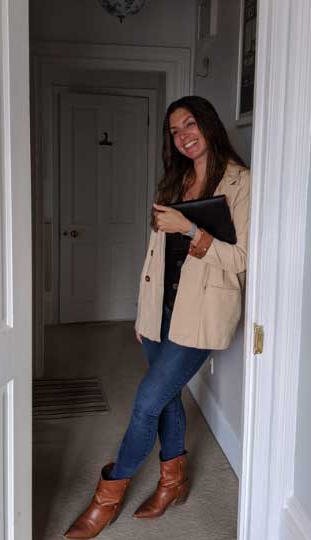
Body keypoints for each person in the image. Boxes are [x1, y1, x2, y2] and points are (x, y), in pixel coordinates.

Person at [65, 96, 251, 539]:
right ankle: (173, 483)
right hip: (159, 311)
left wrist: (189, 230)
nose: (184, 135)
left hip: (200, 313)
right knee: (166, 397)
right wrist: (143, 312)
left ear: (208, 125)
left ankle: (106, 498)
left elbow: (241, 258)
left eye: (190, 125)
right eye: (174, 130)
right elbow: (155, 257)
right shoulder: (176, 180)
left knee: (148, 401)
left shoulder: (241, 182)